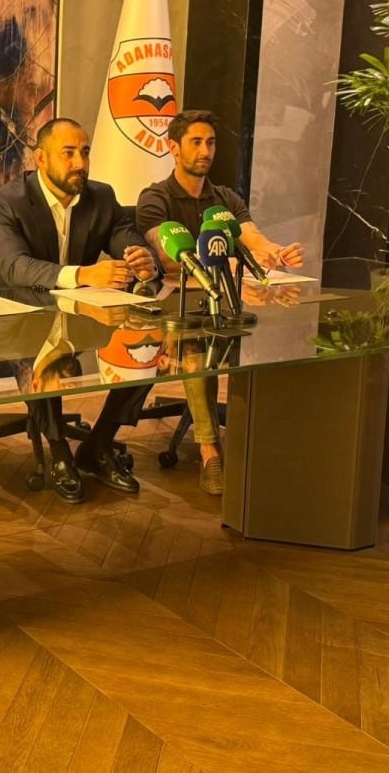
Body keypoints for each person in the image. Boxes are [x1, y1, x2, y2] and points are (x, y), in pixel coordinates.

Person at [0, 117, 159, 503]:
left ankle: (99, 444)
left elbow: (125, 237)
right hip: (13, 318)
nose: (80, 162)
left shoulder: (101, 196)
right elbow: (15, 267)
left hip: (76, 316)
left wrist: (142, 258)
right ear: (41, 159)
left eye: (85, 152)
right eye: (69, 153)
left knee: (146, 346)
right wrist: (84, 274)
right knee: (40, 351)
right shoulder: (4, 202)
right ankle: (59, 452)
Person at [135, 109, 305, 494]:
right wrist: (215, 261)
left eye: (210, 142)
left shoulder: (224, 199)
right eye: (196, 142)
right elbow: (164, 254)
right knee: (196, 347)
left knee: (278, 330)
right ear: (173, 147)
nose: (205, 151)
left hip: (228, 301)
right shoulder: (155, 197)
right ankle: (210, 451)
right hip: (177, 307)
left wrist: (277, 253)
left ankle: (271, 440)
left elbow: (253, 239)